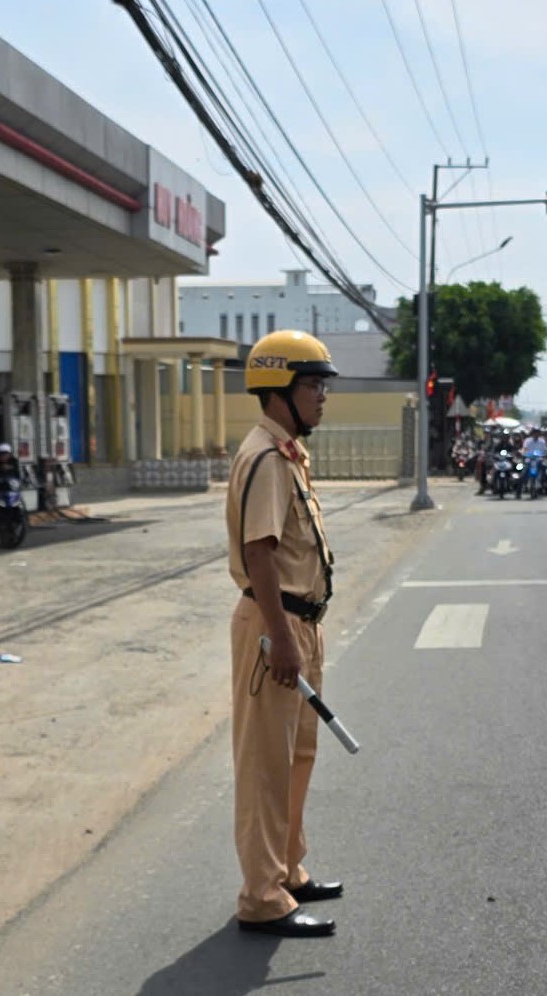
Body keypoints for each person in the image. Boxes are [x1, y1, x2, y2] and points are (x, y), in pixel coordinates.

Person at [225, 329, 342, 938]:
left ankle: (288, 871)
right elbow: (259, 553)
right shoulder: (268, 458)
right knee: (266, 765)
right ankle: (262, 896)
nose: (323, 396)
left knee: (298, 754)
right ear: (278, 390)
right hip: (276, 625)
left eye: (323, 384)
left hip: (299, 621)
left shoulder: (289, 452)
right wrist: (282, 638)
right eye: (313, 384)